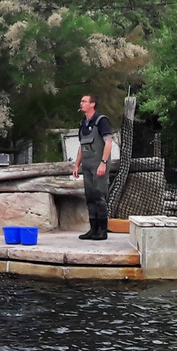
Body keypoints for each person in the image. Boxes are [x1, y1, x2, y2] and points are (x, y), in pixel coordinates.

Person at [71, 93, 115, 241]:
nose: (81, 103)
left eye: (84, 101)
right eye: (81, 101)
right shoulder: (82, 123)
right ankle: (93, 229)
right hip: (87, 165)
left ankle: (102, 230)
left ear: (93, 104)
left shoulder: (101, 121)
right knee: (89, 196)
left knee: (99, 196)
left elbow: (108, 142)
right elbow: (81, 145)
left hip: (98, 164)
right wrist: (77, 165)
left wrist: (103, 162)